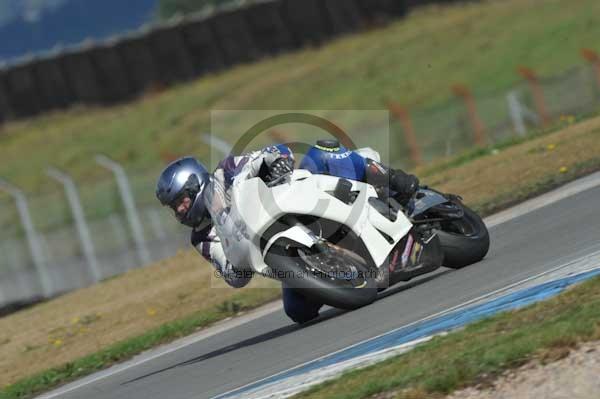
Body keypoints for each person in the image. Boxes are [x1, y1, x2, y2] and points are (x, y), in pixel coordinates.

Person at [155, 140, 420, 324]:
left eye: (180, 202)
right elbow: (231, 274)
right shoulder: (201, 237)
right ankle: (358, 266)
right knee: (297, 310)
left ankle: (394, 181)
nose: (179, 212)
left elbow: (269, 153)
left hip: (297, 198)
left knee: (322, 152)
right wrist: (236, 266)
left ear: (193, 185)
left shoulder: (226, 170)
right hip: (281, 245)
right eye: (174, 208)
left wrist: (277, 161)